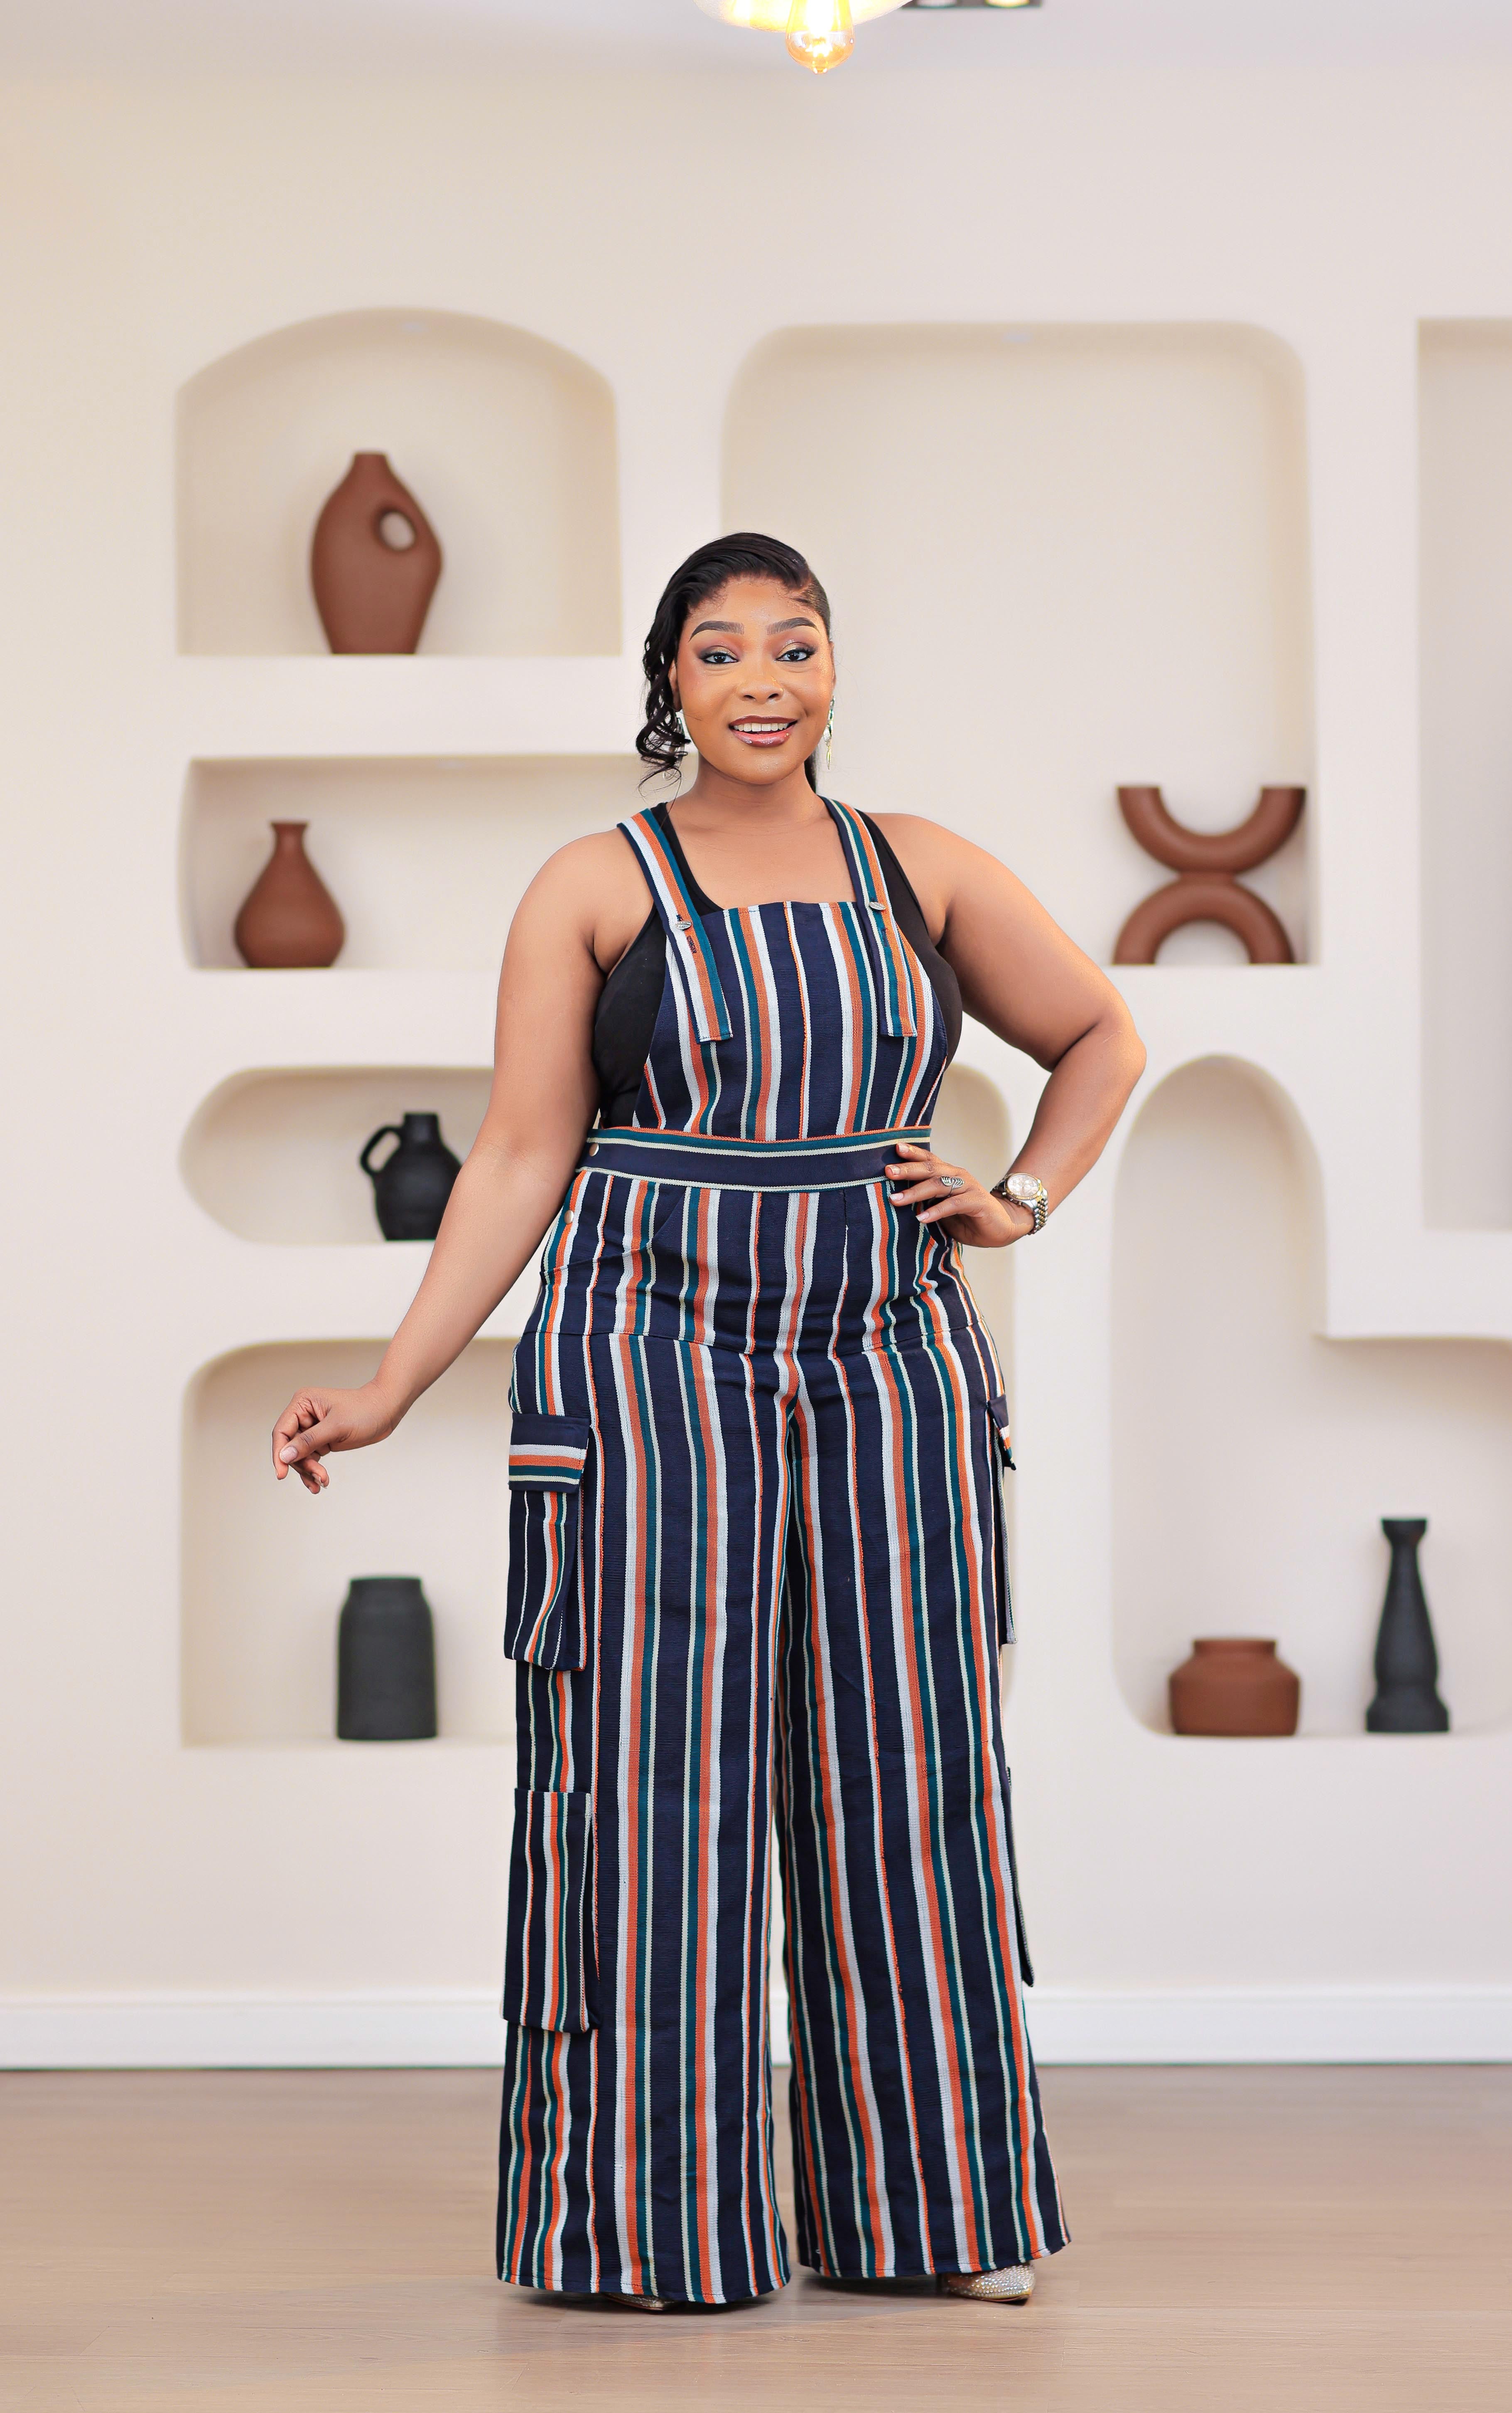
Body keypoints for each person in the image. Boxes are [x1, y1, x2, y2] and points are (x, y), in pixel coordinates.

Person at [272, 533, 1145, 2311]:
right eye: (722, 648)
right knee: (650, 1785)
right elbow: (521, 1154)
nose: (763, 677)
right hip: (646, 1363)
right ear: (666, 681)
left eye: (796, 644)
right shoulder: (591, 885)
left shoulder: (924, 870)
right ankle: (640, 2229)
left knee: (900, 1781)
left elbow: (1101, 1038)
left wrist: (1018, 1201)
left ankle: (934, 2222)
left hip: (886, 1364)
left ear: (834, 670)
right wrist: (388, 1386)